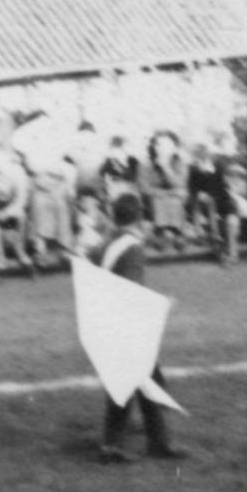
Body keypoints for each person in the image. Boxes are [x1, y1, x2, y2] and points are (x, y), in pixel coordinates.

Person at [94, 195, 186, 464]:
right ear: (139, 217)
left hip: (107, 319)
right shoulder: (132, 247)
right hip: (126, 324)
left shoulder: (106, 242)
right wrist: (161, 305)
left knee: (149, 381)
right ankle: (113, 446)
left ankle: (157, 442)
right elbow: (130, 291)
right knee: (135, 382)